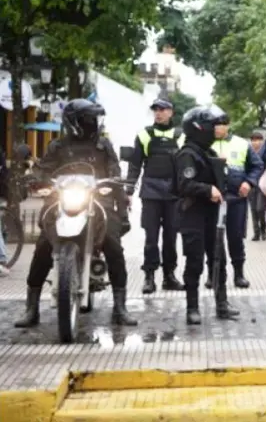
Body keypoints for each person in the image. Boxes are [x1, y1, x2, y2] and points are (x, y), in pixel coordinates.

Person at [15, 99, 137, 328]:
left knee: (113, 243)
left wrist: (117, 181)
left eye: (95, 119)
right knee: (43, 246)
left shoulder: (103, 146)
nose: (94, 123)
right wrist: (35, 177)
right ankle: (31, 309)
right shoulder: (58, 146)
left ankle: (120, 308)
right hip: (62, 198)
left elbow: (114, 169)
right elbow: (44, 168)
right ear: (75, 122)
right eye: (89, 119)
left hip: (97, 198)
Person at [175, 105, 240, 324]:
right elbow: (184, 184)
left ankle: (222, 304)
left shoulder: (208, 153)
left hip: (213, 214)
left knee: (218, 258)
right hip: (193, 212)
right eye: (213, 126)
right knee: (194, 260)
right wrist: (207, 190)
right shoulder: (187, 154)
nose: (217, 130)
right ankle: (192, 307)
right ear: (199, 128)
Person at [127, 98, 186, 294]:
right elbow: (135, 164)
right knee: (151, 238)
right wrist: (128, 190)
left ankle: (169, 276)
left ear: (171, 112)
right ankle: (149, 276)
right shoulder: (144, 135)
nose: (158, 113)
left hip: (173, 194)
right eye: (156, 110)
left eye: (163, 109)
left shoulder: (180, 136)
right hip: (151, 192)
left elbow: (187, 166)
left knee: (170, 237)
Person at [207, 117, 264, 289]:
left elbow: (257, 166)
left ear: (228, 126)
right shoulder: (205, 144)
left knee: (236, 237)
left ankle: (239, 274)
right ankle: (213, 274)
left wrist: (249, 182)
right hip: (213, 199)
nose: (218, 128)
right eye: (215, 125)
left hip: (236, 198)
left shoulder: (241, 143)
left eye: (221, 124)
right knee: (212, 239)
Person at [249, 129, 266, 241]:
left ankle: (263, 229)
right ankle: (256, 233)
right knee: (253, 210)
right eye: (254, 140)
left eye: (259, 140)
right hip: (250, 183)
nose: (256, 142)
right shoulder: (247, 152)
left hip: (262, 184)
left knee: (260, 209)